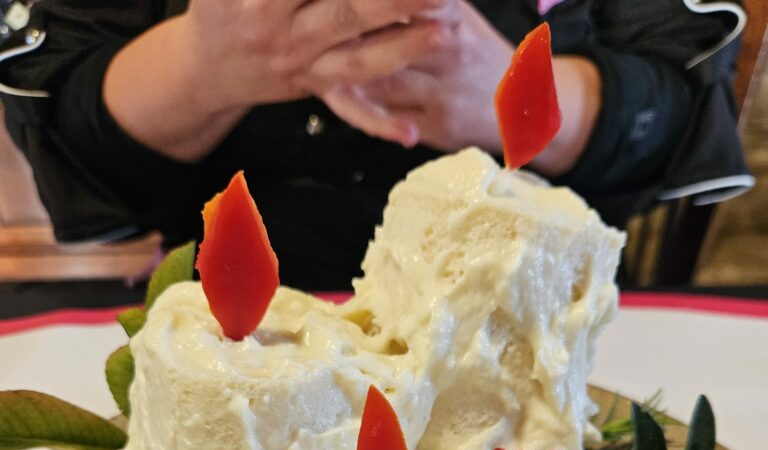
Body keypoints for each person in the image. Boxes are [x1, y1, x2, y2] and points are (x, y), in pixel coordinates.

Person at [0, 0, 752, 289]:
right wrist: (202, 68)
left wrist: (516, 97)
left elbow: (676, 109)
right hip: (236, 327)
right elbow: (71, 130)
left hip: (536, 326)